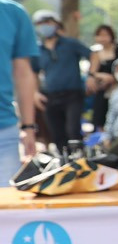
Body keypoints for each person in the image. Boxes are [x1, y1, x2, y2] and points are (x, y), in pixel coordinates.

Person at [32, 8, 92, 155]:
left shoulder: (70, 44)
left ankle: (80, 161)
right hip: (51, 96)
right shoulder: (37, 49)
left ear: (56, 24)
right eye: (40, 23)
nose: (44, 26)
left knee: (73, 130)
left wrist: (92, 75)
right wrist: (35, 92)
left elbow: (93, 55)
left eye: (47, 22)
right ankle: (64, 162)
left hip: (73, 94)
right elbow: (33, 72)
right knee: (57, 134)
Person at [2, 0, 40, 179]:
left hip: (3, 131)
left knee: (7, 204)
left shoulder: (13, 13)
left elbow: (23, 73)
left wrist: (28, 126)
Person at [86, 25, 118, 132]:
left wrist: (113, 78)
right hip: (102, 93)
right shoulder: (96, 54)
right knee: (101, 119)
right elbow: (92, 73)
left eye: (105, 35)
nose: (102, 38)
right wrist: (100, 77)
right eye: (99, 35)